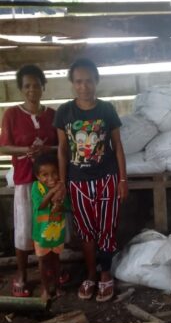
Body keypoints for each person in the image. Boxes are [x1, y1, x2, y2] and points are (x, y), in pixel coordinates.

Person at [55, 58, 128, 302]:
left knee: (107, 230)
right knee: (86, 232)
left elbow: (117, 146)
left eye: (88, 81)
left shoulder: (106, 109)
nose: (83, 86)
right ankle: (90, 275)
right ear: (72, 84)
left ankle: (105, 274)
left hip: (107, 178)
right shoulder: (65, 112)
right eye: (78, 81)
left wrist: (123, 179)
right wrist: (63, 183)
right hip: (77, 183)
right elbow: (63, 150)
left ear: (96, 81)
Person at [0, 65, 59, 297]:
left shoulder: (52, 115)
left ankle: (54, 270)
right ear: (20, 89)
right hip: (25, 179)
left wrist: (46, 149)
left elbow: (61, 146)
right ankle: (23, 273)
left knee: (51, 224)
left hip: (51, 181)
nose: (32, 90)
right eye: (27, 86)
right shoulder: (12, 114)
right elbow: (4, 146)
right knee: (24, 227)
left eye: (36, 85)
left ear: (44, 87)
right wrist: (26, 149)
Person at [31, 153, 69, 301]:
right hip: (41, 234)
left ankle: (58, 286)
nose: (51, 178)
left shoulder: (62, 187)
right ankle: (45, 289)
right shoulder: (36, 187)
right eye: (45, 175)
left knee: (56, 260)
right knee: (42, 261)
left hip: (56, 232)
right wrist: (52, 192)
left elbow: (67, 207)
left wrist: (59, 204)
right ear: (37, 176)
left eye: (54, 173)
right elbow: (40, 205)